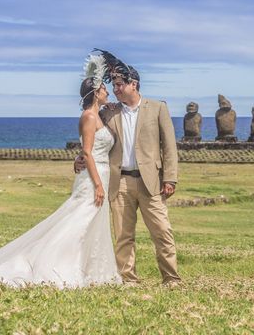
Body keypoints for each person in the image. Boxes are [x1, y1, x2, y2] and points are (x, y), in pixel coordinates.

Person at [0, 55, 121, 288]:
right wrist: (97, 184)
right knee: (80, 220)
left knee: (93, 222)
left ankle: (91, 268)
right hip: (93, 178)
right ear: (96, 93)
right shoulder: (88, 117)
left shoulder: (98, 115)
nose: (108, 92)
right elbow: (87, 153)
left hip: (100, 173)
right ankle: (59, 265)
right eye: (105, 89)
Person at [75, 49, 181, 287]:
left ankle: (171, 278)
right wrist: (79, 157)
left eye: (120, 84)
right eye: (113, 85)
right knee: (123, 235)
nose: (115, 89)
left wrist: (170, 178)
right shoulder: (109, 111)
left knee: (162, 232)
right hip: (119, 181)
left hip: (151, 181)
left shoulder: (157, 108)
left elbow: (170, 147)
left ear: (134, 84)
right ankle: (128, 279)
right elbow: (91, 135)